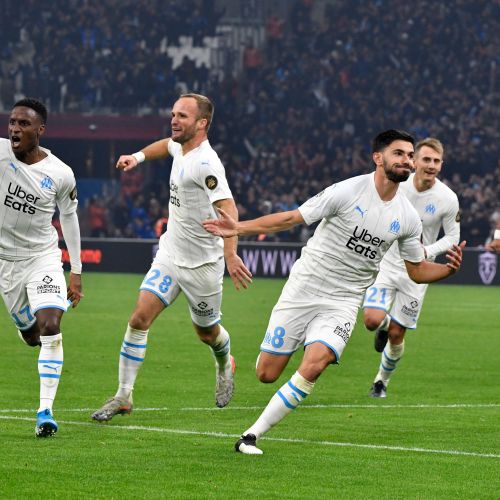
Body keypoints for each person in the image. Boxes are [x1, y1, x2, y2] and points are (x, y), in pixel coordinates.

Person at [203, 130, 465, 455]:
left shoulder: (408, 217)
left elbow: (416, 270)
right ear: (378, 157)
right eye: (399, 153)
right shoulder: (348, 191)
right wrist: (240, 228)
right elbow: (292, 218)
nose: (406, 160)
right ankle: (254, 357)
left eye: (410, 155)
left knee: (316, 363)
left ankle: (250, 436)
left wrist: (447, 270)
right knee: (266, 373)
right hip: (305, 287)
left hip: (344, 301)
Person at [92, 93, 252, 422]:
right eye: (173, 114)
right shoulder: (180, 147)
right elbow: (165, 145)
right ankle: (123, 396)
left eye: (182, 116)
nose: (174, 121)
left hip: (203, 266)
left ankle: (225, 363)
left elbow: (229, 209)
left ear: (202, 123)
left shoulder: (206, 164)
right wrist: (137, 157)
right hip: (170, 254)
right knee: (139, 319)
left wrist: (231, 255)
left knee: (207, 333)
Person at [0, 97, 83, 437]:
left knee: (50, 325)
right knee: (32, 335)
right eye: (12, 123)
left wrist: (76, 270)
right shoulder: (1, 153)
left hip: (43, 257)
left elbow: (70, 218)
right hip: (7, 264)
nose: (15, 129)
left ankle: (45, 412)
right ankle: (28, 328)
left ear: (40, 130)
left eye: (24, 124)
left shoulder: (60, 173)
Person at [361, 138, 460, 398]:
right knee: (372, 320)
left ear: (441, 164)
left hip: (418, 271)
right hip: (387, 264)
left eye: (436, 161)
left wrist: (427, 251)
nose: (431, 165)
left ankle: (381, 382)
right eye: (426, 159)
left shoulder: (447, 198)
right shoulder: (397, 185)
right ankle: (383, 326)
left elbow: (452, 237)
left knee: (397, 334)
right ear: (414, 161)